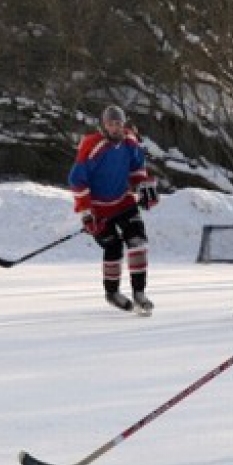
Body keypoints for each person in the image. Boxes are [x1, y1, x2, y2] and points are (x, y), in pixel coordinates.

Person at [69, 104, 159, 316]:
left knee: (137, 242)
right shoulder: (93, 146)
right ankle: (112, 293)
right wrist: (87, 213)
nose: (116, 128)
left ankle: (139, 293)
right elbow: (77, 180)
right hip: (98, 210)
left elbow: (137, 170)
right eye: (111, 124)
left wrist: (144, 188)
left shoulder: (130, 142)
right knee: (114, 248)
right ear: (104, 125)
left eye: (119, 123)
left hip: (123, 202)